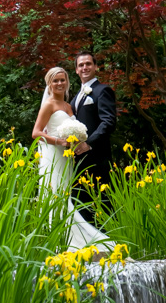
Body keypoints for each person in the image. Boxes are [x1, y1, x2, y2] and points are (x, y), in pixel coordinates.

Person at [32, 66, 114, 251]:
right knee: (56, 194)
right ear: (49, 84)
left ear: (67, 82)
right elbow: (36, 133)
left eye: (62, 80)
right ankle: (60, 238)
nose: (59, 83)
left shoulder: (69, 106)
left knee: (67, 193)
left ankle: (68, 235)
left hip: (68, 157)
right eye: (55, 81)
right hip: (55, 154)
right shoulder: (49, 105)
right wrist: (58, 141)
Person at [71, 51, 117, 188]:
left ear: (95, 67)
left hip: (97, 158)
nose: (85, 67)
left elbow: (108, 122)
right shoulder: (74, 98)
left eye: (88, 64)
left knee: (101, 203)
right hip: (77, 160)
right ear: (76, 70)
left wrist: (88, 143)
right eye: (81, 65)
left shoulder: (103, 91)